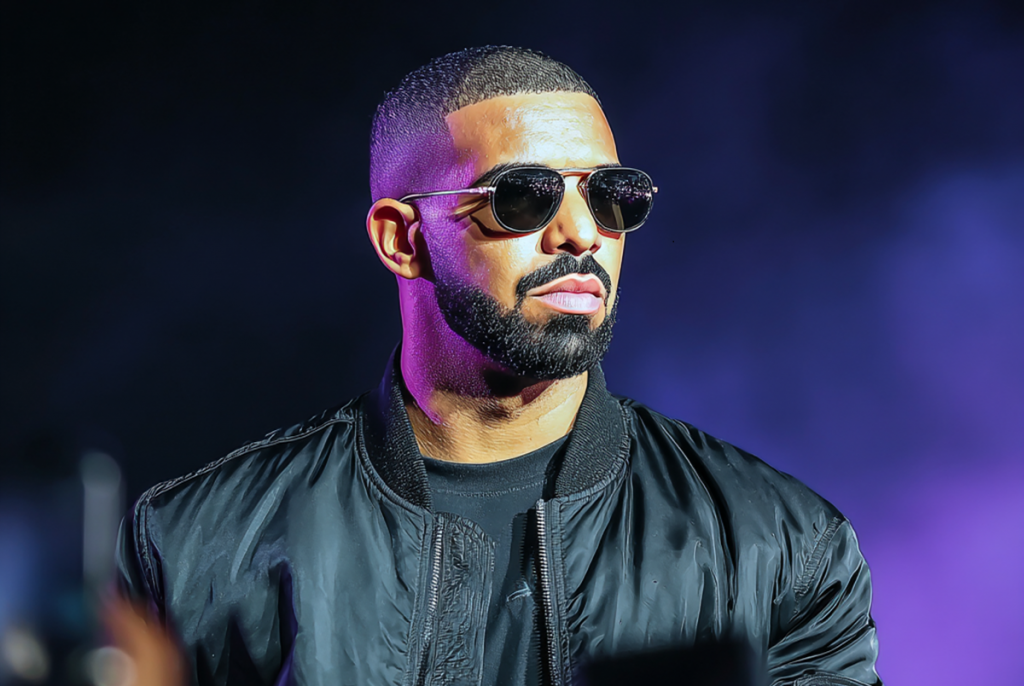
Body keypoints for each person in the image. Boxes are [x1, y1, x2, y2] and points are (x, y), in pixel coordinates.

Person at [116, 46, 881, 686]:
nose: (581, 233)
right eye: (523, 196)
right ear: (403, 239)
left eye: (613, 196)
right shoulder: (194, 549)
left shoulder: (780, 547)